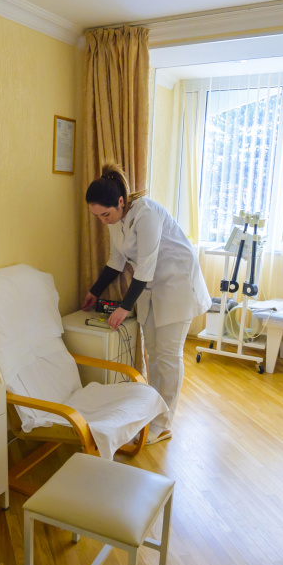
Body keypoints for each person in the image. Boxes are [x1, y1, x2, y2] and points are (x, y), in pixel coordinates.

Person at [82, 164, 210, 444]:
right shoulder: (115, 221)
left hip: (177, 283)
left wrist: (124, 307)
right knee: (152, 352)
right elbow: (117, 260)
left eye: (105, 214)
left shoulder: (147, 214)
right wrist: (95, 291)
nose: (103, 221)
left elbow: (145, 267)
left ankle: (163, 423)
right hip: (150, 286)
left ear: (121, 201)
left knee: (169, 355)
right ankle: (153, 412)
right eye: (97, 216)